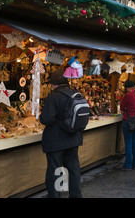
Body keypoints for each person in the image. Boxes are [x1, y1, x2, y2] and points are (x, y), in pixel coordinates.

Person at [40, 70, 83, 198]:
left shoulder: (53, 97)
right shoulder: (76, 94)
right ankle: (76, 195)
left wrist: (41, 117)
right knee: (74, 170)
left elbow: (47, 119)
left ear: (54, 84)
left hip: (56, 140)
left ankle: (55, 195)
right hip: (73, 138)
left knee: (56, 170)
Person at [119, 80, 135, 171]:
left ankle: (128, 165)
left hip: (128, 121)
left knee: (128, 143)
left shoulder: (128, 96)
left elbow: (121, 108)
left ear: (128, 88)